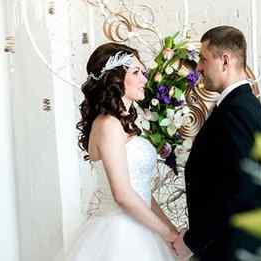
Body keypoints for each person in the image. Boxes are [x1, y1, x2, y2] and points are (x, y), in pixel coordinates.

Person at [67, 42, 178, 261]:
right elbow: (123, 195)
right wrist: (171, 236)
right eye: (136, 72)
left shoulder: (121, 123)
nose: (144, 79)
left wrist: (171, 230)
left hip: (142, 228)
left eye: (142, 72)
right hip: (120, 236)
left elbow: (142, 193)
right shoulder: (108, 124)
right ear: (115, 79)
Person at [173, 25, 261, 261]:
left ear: (225, 61)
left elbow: (235, 189)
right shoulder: (242, 106)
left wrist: (192, 242)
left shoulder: (237, 111)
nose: (198, 67)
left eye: (203, 59)